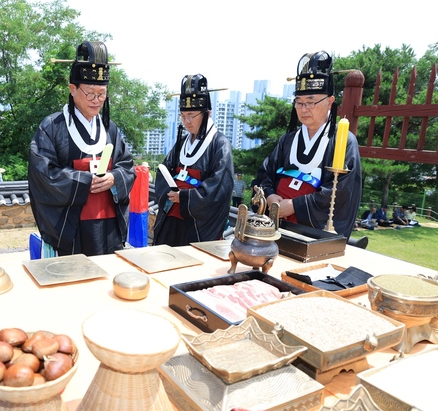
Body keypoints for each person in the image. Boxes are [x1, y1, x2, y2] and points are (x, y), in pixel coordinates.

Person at [28, 41, 135, 256]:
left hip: (108, 226)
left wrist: (114, 178)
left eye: (102, 94)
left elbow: (127, 166)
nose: (97, 101)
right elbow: (43, 174)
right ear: (72, 89)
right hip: (72, 228)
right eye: (90, 93)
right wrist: (85, 181)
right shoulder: (52, 127)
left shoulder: (110, 129)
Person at [253, 51, 362, 239]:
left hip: (311, 233)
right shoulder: (287, 140)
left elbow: (340, 193)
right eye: (299, 102)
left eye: (311, 103)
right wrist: (269, 196)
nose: (303, 109)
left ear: (329, 102)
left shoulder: (344, 142)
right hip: (275, 224)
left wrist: (295, 206)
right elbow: (265, 173)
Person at [153, 74, 234, 246]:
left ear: (207, 113)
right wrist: (170, 193)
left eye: (191, 115)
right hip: (171, 218)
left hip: (196, 226)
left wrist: (184, 197)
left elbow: (219, 189)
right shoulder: (182, 143)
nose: (187, 121)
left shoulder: (220, 145)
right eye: (183, 116)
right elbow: (163, 171)